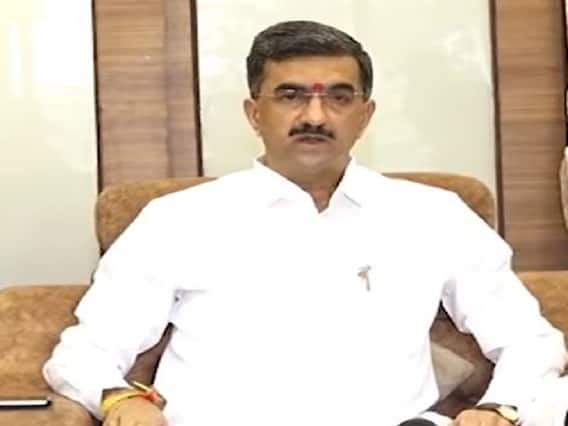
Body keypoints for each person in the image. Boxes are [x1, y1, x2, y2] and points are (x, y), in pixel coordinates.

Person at [44, 20, 567, 426]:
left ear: (365, 115)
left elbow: (530, 341)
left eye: (338, 97)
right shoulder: (179, 220)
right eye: (291, 96)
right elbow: (85, 350)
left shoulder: (434, 216)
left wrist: (501, 407)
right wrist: (119, 400)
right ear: (254, 113)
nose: (315, 116)